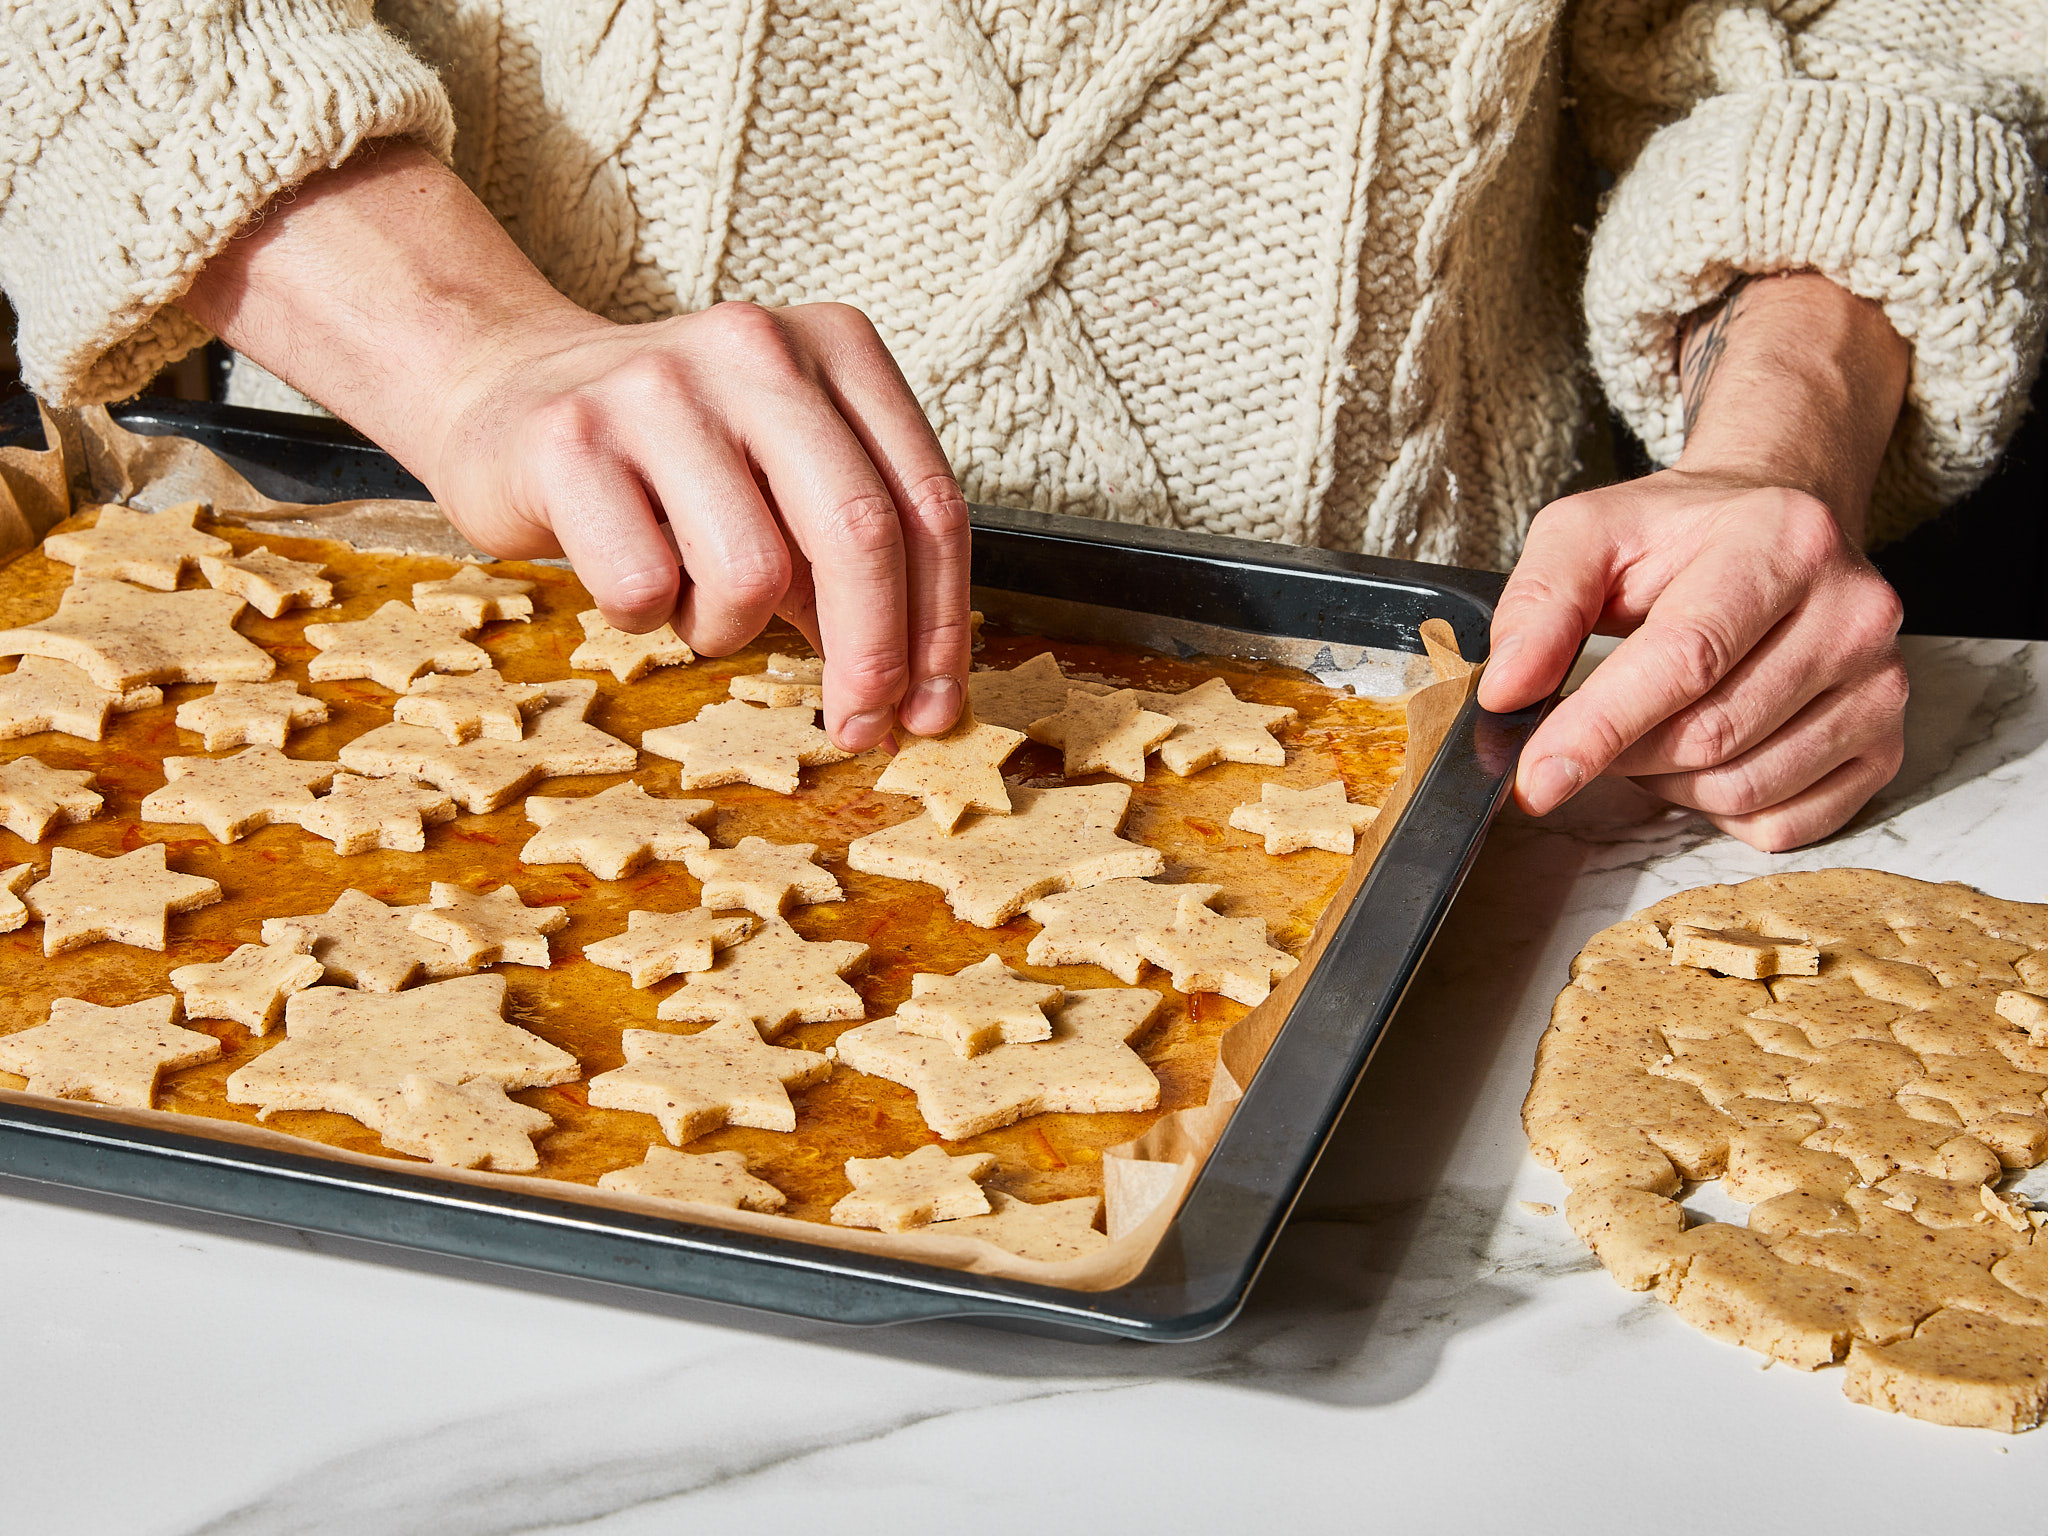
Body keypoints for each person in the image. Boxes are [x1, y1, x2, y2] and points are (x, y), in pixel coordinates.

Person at [4, 2, 2040, 852]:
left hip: (1381, 788)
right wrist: (461, 348)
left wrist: (1772, 444)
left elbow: (1884, 40)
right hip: (403, 709)